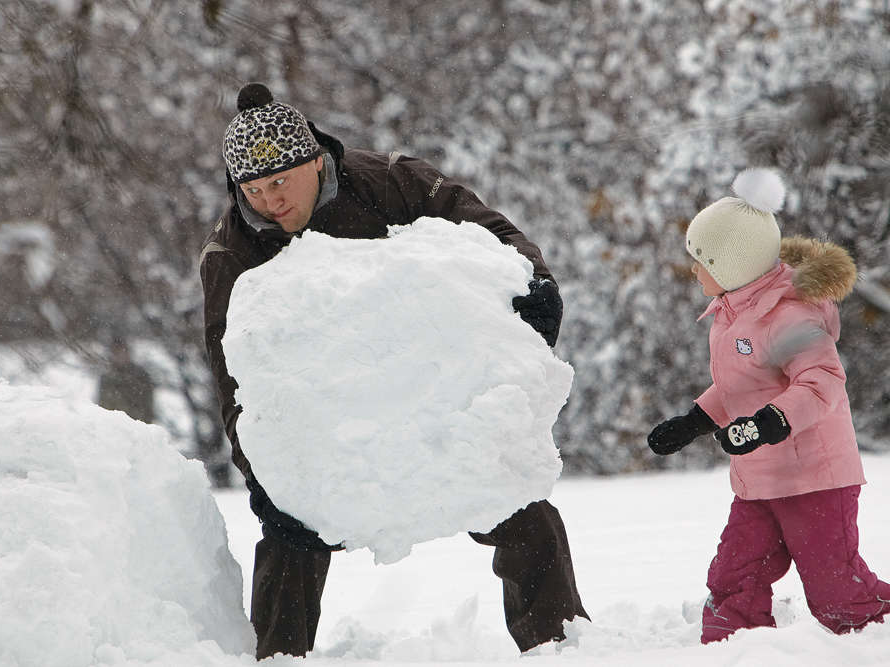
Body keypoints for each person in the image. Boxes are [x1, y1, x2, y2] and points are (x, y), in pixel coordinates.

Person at [200, 82, 588, 659]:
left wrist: (532, 285)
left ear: (314, 159)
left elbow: (490, 232)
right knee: (287, 535)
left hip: (436, 400)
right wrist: (264, 470)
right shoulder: (232, 254)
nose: (269, 202)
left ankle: (563, 646)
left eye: (279, 182)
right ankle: (279, 658)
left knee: (518, 506)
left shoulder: (392, 181)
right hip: (330, 429)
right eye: (252, 191)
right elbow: (236, 380)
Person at [647, 168, 889, 643]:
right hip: (759, 480)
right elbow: (744, 385)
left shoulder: (791, 315)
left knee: (837, 594)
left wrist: (768, 423)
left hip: (815, 479)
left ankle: (877, 633)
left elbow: (822, 382)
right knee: (736, 575)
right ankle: (735, 647)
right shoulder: (733, 312)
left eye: (702, 260)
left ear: (733, 265)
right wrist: (694, 420)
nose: (694, 270)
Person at [96, 336, 156, 424]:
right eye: (115, 353)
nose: (119, 356)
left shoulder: (140, 376)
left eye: (121, 352)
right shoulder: (107, 378)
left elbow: (148, 407)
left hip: (135, 426)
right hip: (112, 426)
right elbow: (103, 405)